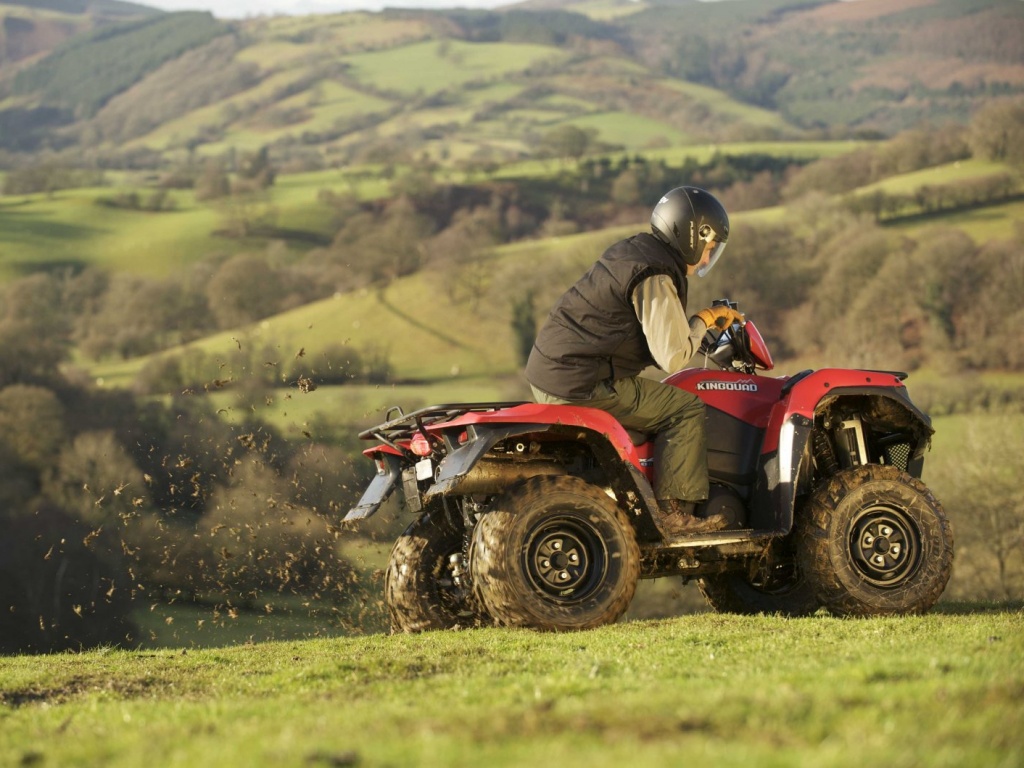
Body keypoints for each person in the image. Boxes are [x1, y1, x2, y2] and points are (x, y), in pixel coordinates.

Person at [525, 186, 744, 537]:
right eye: (709, 248)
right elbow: (672, 356)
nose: (706, 259)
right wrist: (702, 320)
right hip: (581, 383)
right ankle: (674, 515)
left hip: (553, 373)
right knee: (685, 408)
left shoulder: (634, 250)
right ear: (693, 237)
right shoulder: (655, 275)